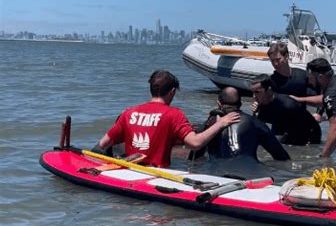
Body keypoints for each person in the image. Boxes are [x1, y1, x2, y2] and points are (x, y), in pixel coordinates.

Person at [93, 70, 240, 168]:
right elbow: (195, 143)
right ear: (172, 92)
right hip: (155, 178)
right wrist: (221, 123)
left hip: (129, 175)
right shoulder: (173, 114)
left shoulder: (128, 113)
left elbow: (103, 144)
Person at [191, 87, 290, 162]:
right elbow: (282, 157)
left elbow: (194, 158)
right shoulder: (255, 123)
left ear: (219, 104)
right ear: (240, 104)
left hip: (217, 175)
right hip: (251, 174)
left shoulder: (210, 124)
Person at [250, 74, 321, 146]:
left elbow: (288, 134)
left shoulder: (287, 105)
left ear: (269, 90)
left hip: (309, 135)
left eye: (257, 92)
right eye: (253, 92)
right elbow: (258, 129)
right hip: (288, 131)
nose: (254, 96)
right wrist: (256, 113)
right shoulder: (262, 104)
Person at [268, 42, 323, 122]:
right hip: (279, 128)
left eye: (278, 59)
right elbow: (264, 103)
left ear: (286, 56)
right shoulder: (270, 81)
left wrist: (319, 113)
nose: (275, 64)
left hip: (301, 125)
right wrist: (257, 106)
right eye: (272, 61)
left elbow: (323, 96)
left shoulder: (303, 76)